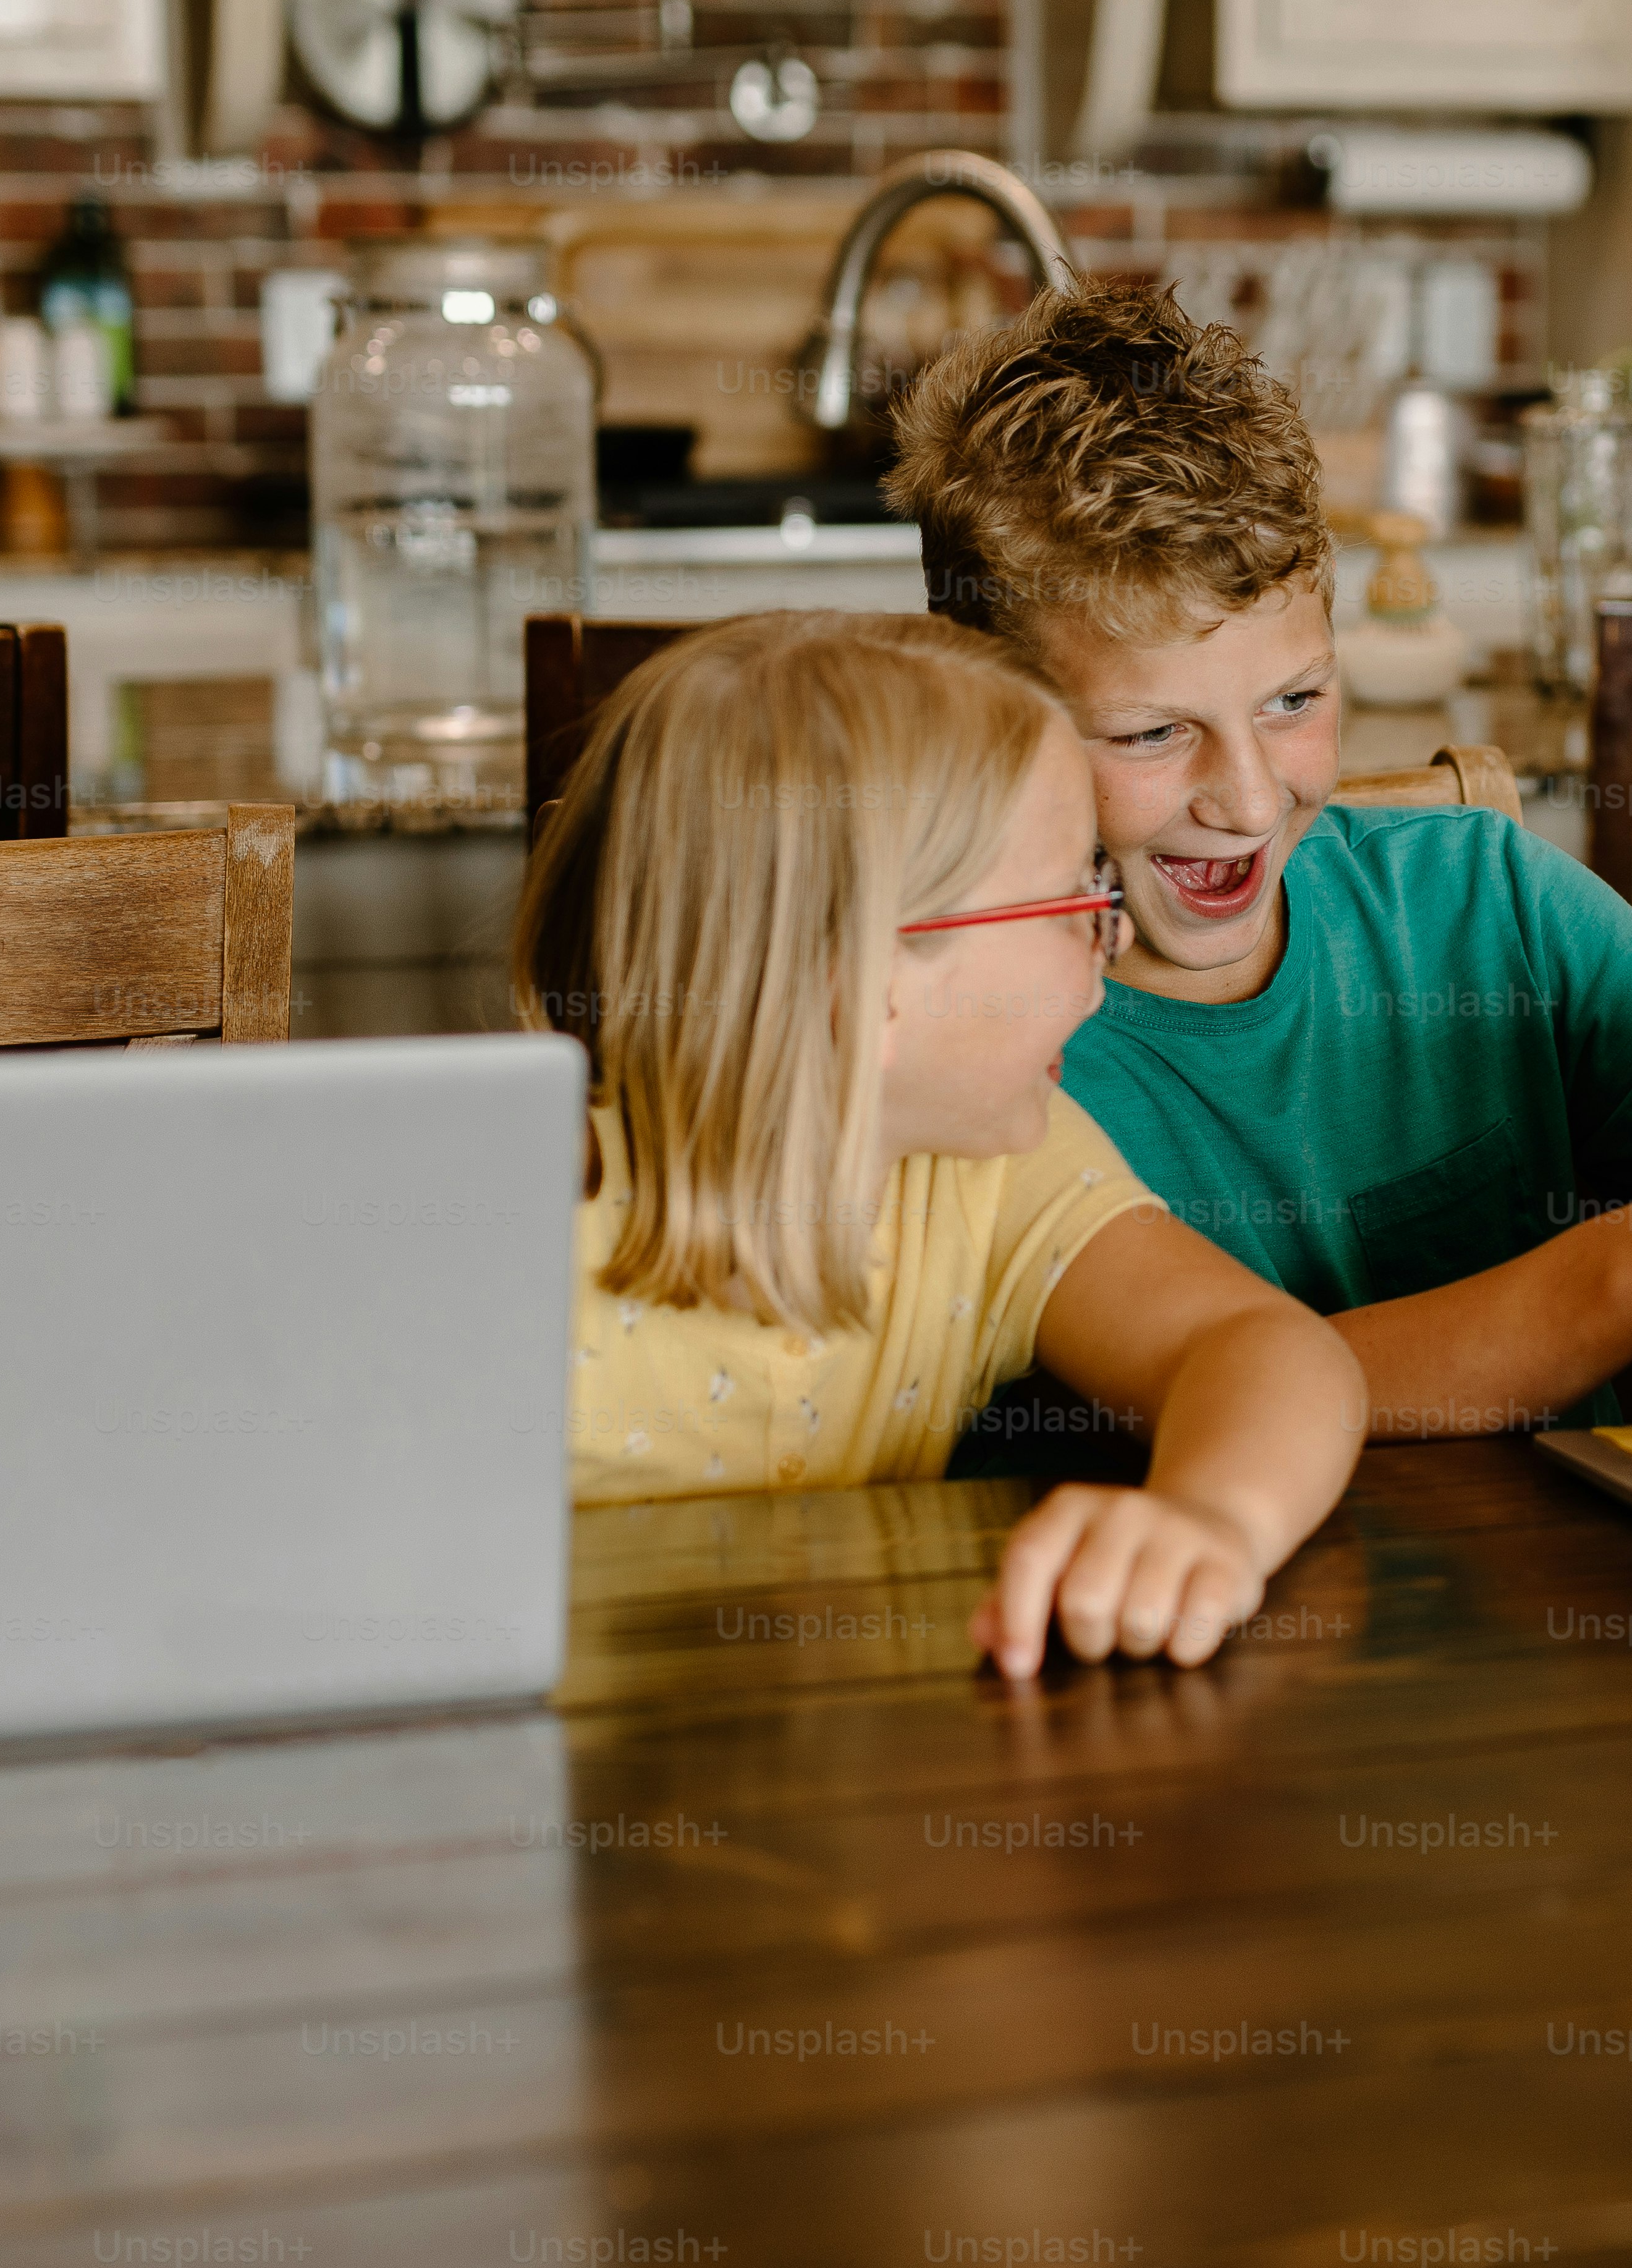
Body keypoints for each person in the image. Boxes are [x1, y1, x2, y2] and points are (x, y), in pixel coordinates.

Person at [884, 283, 1632, 1437]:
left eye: (1295, 701)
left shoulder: (1491, 906)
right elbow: (1220, 1389)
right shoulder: (966, 1049)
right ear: (982, 721)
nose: (1248, 799)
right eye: (1151, 733)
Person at [514, 612, 1362, 1678]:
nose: (1109, 945)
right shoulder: (507, 1232)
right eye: (1075, 903)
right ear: (868, 984)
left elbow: (1262, 1348)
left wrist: (1214, 1517)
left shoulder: (991, 1170)